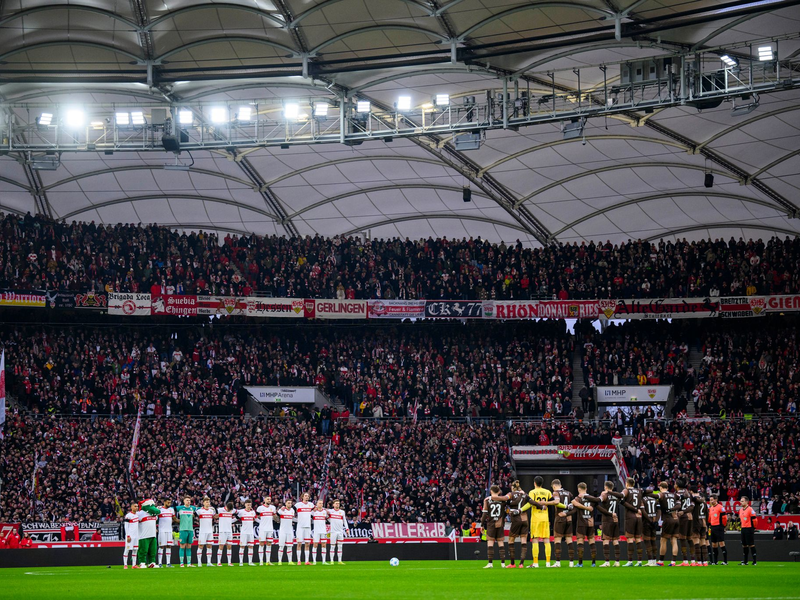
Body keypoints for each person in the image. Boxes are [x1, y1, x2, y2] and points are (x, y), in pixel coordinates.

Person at [523, 475, 558, 568]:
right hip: (545, 518)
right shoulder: (547, 492)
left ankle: (535, 563)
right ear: (542, 483)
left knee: (535, 540)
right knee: (546, 540)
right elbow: (552, 505)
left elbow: (530, 503)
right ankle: (548, 563)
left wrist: (521, 510)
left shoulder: (532, 492)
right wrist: (550, 519)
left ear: (534, 483)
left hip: (535, 519)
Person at [585, 482, 621, 567]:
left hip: (607, 520)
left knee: (606, 540)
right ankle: (617, 561)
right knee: (615, 540)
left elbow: (597, 500)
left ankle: (607, 562)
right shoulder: (616, 496)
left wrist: (586, 497)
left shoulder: (605, 495)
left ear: (605, 487)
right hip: (615, 520)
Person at [650, 481, 680, 566]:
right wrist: (673, 509)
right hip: (676, 519)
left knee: (663, 540)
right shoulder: (674, 495)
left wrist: (646, 493)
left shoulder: (662, 494)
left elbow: (656, 496)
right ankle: (673, 562)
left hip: (668, 519)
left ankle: (661, 561)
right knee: (674, 540)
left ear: (660, 487)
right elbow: (679, 503)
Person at [619, 477, 645, 566]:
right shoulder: (638, 491)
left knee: (630, 538)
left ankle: (630, 561)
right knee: (638, 538)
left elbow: (621, 495)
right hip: (639, 517)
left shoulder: (626, 490)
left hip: (630, 516)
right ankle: (640, 561)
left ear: (627, 483)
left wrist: (622, 502)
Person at [571, 482, 598, 567]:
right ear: (586, 489)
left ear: (578, 489)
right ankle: (593, 563)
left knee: (580, 541)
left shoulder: (578, 498)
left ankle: (580, 563)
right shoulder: (592, 498)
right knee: (592, 541)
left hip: (581, 523)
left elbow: (574, 504)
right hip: (590, 522)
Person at [481, 485, 508, 569]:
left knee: (490, 543)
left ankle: (490, 563)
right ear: (499, 492)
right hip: (500, 523)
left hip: (491, 523)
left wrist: (482, 524)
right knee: (501, 543)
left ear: (491, 491)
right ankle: (503, 564)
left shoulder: (487, 500)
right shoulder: (503, 500)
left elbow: (485, 513)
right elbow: (506, 511)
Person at [551, 479, 575, 568]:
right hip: (569, 519)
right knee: (569, 539)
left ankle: (558, 563)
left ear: (554, 486)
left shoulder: (555, 493)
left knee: (557, 539)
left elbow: (556, 502)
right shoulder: (569, 493)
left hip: (560, 518)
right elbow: (574, 506)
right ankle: (571, 563)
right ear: (560, 485)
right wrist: (568, 513)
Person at [505, 480, 529, 568]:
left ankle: (512, 563)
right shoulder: (525, 494)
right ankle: (521, 564)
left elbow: (507, 501)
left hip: (516, 519)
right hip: (525, 519)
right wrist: (541, 506)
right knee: (524, 541)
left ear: (512, 487)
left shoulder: (511, 494)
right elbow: (532, 502)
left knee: (511, 540)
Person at [675, 478, 696, 566]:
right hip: (690, 517)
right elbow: (692, 506)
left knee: (682, 538)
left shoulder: (677, 494)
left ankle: (685, 561)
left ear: (677, 485)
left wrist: (682, 512)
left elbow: (677, 506)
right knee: (690, 539)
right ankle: (693, 561)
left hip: (683, 518)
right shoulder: (689, 493)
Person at [136, 499, 161, 568]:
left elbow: (156, 521)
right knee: (143, 550)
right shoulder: (140, 513)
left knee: (153, 550)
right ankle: (142, 562)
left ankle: (152, 562)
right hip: (143, 536)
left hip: (153, 535)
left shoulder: (154, 514)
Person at [175, 496, 198, 567]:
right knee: (182, 546)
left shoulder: (192, 508)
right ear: (184, 501)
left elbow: (200, 509)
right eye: (187, 500)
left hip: (190, 529)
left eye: (189, 500)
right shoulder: (180, 508)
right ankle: (181, 563)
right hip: (183, 530)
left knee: (189, 546)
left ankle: (188, 563)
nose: (188, 501)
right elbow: (171, 509)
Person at [690, 486, 709, 566]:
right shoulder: (703, 501)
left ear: (691, 491)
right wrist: (706, 524)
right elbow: (707, 513)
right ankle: (705, 562)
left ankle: (699, 562)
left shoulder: (694, 500)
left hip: (696, 522)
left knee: (696, 541)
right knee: (703, 542)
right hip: (703, 522)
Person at [641, 489, 661, 566]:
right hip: (654, 521)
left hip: (646, 522)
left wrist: (649, 520)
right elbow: (659, 511)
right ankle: (654, 561)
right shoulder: (655, 500)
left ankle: (650, 561)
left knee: (647, 541)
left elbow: (643, 511)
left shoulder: (643, 500)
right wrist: (656, 521)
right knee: (653, 540)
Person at [256, 495, 276, 566]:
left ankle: (268, 561)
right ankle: (261, 561)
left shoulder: (273, 508)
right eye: (268, 499)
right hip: (262, 529)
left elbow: (274, 517)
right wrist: (260, 522)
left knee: (269, 544)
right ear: (264, 500)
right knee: (261, 543)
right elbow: (255, 517)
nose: (269, 500)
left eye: (270, 499)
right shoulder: (260, 508)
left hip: (270, 528)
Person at [196, 497, 216, 567]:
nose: (208, 503)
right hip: (202, 531)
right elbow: (194, 516)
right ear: (203, 503)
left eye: (209, 502)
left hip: (210, 531)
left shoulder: (211, 511)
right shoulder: (199, 511)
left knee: (209, 546)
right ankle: (199, 562)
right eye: (206, 502)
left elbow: (215, 517)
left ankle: (209, 562)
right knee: (200, 546)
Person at [295, 493, 314, 565]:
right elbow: (291, 510)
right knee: (299, 543)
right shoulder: (298, 505)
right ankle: (299, 561)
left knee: (307, 544)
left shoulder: (311, 505)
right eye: (305, 496)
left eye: (308, 496)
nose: (307, 497)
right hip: (300, 527)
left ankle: (307, 561)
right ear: (302, 497)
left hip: (308, 527)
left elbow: (315, 511)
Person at [237, 499, 257, 566]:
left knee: (250, 546)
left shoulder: (253, 512)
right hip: (244, 532)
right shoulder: (241, 512)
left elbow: (255, 519)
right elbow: (236, 518)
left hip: (251, 532)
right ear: (245, 505)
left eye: (250, 505)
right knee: (242, 546)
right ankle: (241, 562)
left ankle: (250, 562)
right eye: (248, 505)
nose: (249, 506)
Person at [708, 495, 727, 565]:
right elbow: (709, 518)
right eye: (710, 500)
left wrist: (723, 526)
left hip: (719, 527)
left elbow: (724, 517)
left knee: (721, 543)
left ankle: (725, 561)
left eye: (712, 500)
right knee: (714, 544)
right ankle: (715, 561)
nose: (710, 501)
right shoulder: (711, 508)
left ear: (716, 500)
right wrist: (709, 524)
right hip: (712, 527)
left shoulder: (720, 507)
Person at [328, 499, 348, 564]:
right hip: (333, 532)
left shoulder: (342, 512)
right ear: (333, 504)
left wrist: (347, 529)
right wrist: (329, 520)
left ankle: (339, 560)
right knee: (332, 546)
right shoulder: (330, 511)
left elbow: (345, 521)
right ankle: (332, 561)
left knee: (340, 546)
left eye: (338, 503)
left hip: (340, 531)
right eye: (336, 503)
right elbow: (324, 513)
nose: (337, 505)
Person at [217, 501, 236, 567]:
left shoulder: (232, 510)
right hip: (222, 531)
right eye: (228, 509)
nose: (229, 511)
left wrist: (234, 520)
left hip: (229, 531)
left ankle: (229, 562)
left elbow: (238, 513)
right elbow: (214, 514)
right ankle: (219, 562)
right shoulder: (220, 510)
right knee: (221, 546)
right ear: (226, 507)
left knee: (229, 546)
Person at [157, 498, 175, 568]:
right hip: (162, 530)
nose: (169, 504)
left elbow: (174, 519)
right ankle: (160, 563)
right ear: (164, 502)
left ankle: (168, 563)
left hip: (169, 530)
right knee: (161, 546)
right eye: (168, 502)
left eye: (170, 502)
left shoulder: (171, 510)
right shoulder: (159, 509)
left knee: (169, 546)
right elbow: (155, 518)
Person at [739, 496, 757, 565]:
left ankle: (754, 561)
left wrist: (753, 528)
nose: (741, 502)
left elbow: (754, 520)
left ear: (746, 502)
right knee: (744, 545)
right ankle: (745, 561)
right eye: (740, 501)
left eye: (742, 501)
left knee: (751, 544)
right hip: (743, 528)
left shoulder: (750, 509)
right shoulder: (740, 510)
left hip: (749, 528)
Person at [277, 499, 296, 565]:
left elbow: (293, 519)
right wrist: (281, 508)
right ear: (285, 503)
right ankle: (280, 561)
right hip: (283, 530)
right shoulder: (282, 510)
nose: (290, 504)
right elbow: (278, 513)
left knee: (289, 546)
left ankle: (290, 561)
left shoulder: (292, 510)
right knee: (281, 546)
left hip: (290, 531)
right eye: (288, 503)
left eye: (290, 503)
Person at [311, 499, 329, 565]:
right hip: (316, 531)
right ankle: (314, 561)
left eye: (321, 503)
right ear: (317, 504)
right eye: (319, 503)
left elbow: (329, 518)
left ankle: (324, 561)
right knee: (315, 545)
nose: (321, 504)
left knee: (324, 545)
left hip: (323, 531)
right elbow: (308, 516)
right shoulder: (313, 512)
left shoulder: (325, 512)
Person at [123, 502, 140, 569]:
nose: (136, 507)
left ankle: (134, 565)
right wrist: (128, 535)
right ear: (131, 507)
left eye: (137, 506)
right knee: (127, 550)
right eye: (135, 506)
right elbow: (126, 526)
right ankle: (125, 565)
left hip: (136, 536)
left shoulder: (138, 515)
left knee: (135, 550)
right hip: (130, 535)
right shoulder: (128, 516)